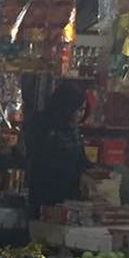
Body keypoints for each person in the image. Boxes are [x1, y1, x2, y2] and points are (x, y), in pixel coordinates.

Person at [25, 81, 91, 218]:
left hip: (69, 199)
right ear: (66, 107)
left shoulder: (74, 131)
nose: (80, 114)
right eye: (78, 110)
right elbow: (43, 161)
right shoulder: (44, 127)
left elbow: (80, 159)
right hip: (46, 197)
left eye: (83, 110)